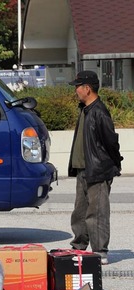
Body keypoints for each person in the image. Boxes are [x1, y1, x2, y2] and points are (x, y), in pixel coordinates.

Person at [67, 70, 122, 265]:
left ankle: (100, 251)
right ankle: (78, 246)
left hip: (98, 170)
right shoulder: (85, 109)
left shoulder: (99, 111)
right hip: (83, 170)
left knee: (97, 212)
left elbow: (111, 142)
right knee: (80, 212)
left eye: (77, 87)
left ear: (87, 89)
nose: (75, 91)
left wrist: (114, 164)